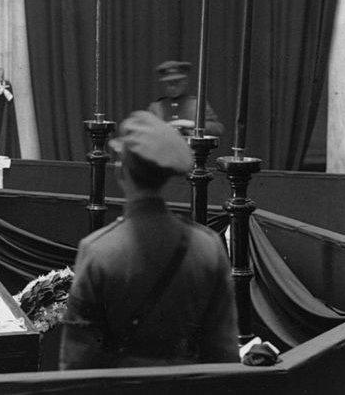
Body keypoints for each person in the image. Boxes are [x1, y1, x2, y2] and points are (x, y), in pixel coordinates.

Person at [59, 111, 238, 369]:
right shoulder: (208, 246)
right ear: (166, 175)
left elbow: (78, 361)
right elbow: (224, 353)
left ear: (122, 172)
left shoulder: (99, 250)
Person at [147, 60, 224, 137]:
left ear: (185, 82)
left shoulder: (197, 105)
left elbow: (217, 129)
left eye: (176, 82)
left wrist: (191, 124)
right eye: (169, 83)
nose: (172, 87)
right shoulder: (155, 108)